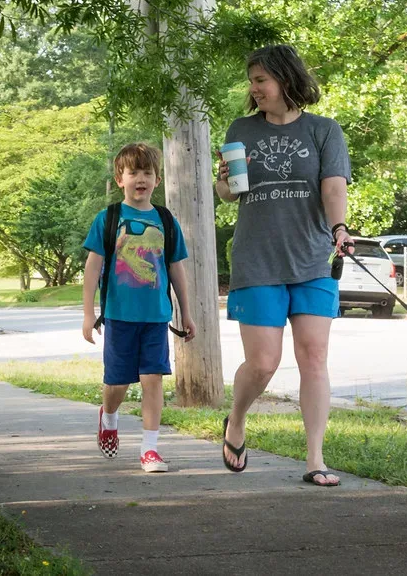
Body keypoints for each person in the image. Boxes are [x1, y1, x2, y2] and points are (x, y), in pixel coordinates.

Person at [216, 44, 354, 487]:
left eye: (261, 80)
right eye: (252, 81)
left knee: (314, 358)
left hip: (313, 257)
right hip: (257, 260)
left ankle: (315, 458)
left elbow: (333, 187)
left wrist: (340, 229)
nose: (254, 89)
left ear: (285, 79)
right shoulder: (242, 128)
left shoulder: (323, 130)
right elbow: (230, 193)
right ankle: (236, 420)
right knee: (263, 363)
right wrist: (223, 183)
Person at [82, 142, 196, 473]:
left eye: (148, 172)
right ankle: (110, 416)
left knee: (152, 380)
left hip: (156, 317)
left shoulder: (165, 220)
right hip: (119, 317)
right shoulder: (108, 219)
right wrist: (89, 313)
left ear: (157, 180)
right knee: (117, 384)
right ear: (121, 179)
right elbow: (93, 267)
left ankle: (149, 449)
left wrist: (185, 313)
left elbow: (176, 268)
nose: (141, 179)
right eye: (134, 173)